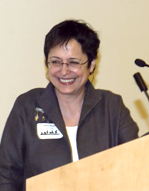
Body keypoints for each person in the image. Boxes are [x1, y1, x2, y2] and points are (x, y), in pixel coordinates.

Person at [0, 19, 139, 191]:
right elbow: (6, 175)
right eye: (56, 61)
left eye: (73, 62)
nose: (64, 71)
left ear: (91, 64)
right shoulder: (26, 106)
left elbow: (136, 166)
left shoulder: (112, 107)